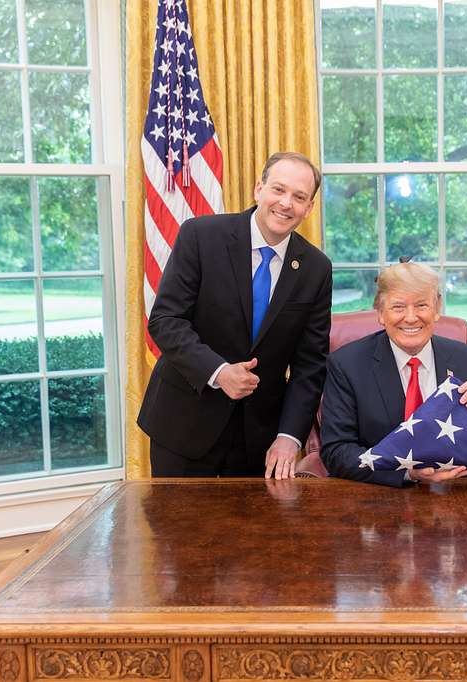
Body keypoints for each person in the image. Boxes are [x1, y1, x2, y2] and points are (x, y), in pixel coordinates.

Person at [138, 152, 332, 480]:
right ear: (259, 189)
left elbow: (310, 364)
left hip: (258, 440)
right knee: (176, 531)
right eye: (278, 190)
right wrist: (218, 371)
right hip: (184, 424)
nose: (286, 203)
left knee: (248, 532)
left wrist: (288, 438)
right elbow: (166, 320)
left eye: (299, 197)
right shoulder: (201, 236)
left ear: (309, 208)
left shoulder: (316, 268)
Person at [321, 261, 467, 487]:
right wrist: (408, 473)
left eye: (422, 305)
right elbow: (336, 451)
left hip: (460, 494)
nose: (411, 317)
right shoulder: (347, 365)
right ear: (381, 313)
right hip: (381, 499)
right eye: (398, 307)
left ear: (437, 309)